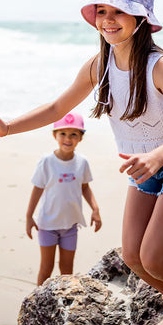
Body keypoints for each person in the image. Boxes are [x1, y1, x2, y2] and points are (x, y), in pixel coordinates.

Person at [0, 0, 163, 325]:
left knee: (154, 254)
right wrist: (8, 127)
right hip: (143, 167)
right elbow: (57, 106)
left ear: (141, 19)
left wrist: (158, 157)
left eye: (119, 12)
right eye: (102, 11)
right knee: (133, 257)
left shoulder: (159, 66)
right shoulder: (98, 66)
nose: (108, 20)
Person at [26, 111, 102, 286]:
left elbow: (85, 187)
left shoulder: (82, 162)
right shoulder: (46, 162)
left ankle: (65, 305)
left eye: (73, 134)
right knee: (46, 268)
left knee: (67, 270)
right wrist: (29, 216)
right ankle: (37, 306)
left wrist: (95, 210)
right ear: (55, 135)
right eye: (63, 134)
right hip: (48, 225)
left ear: (80, 138)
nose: (68, 138)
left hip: (70, 225)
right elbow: (37, 189)